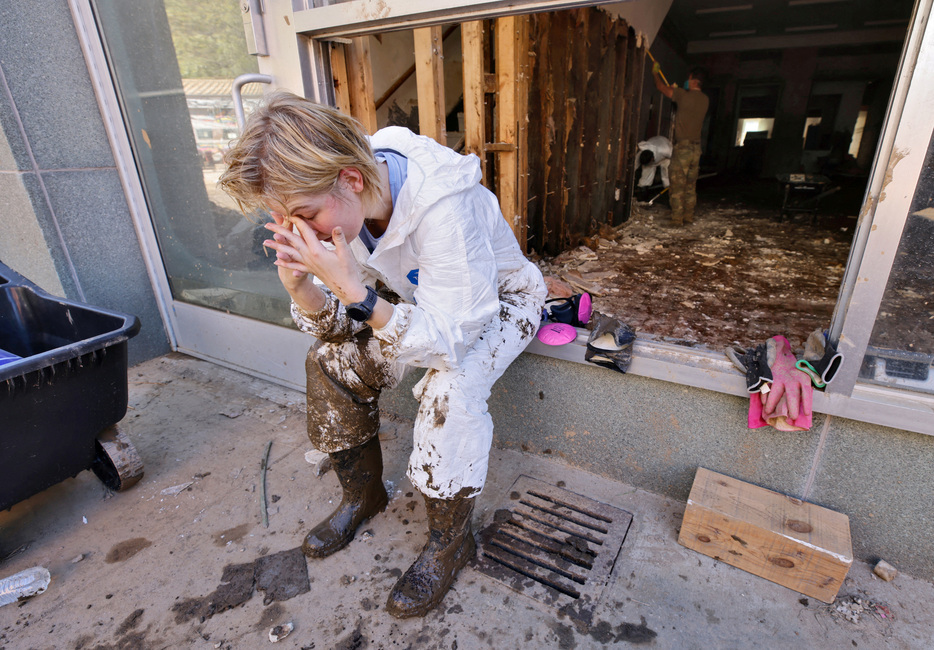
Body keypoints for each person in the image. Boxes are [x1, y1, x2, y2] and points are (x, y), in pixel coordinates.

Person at [218, 91, 546, 618]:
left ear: (350, 179)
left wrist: (358, 295)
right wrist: (301, 286)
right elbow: (337, 331)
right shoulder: (351, 197)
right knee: (328, 364)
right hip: (419, 305)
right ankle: (363, 495)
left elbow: (450, 341)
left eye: (305, 215)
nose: (302, 232)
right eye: (284, 219)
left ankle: (450, 542)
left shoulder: (444, 205)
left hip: (498, 304)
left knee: (449, 390)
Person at [652, 65, 709, 225]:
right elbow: (685, 101)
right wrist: (677, 92)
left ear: (693, 80)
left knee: (677, 184)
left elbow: (660, 87)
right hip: (696, 149)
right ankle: (688, 217)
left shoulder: (682, 95)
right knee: (690, 186)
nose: (687, 81)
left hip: (683, 148)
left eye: (689, 78)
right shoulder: (705, 99)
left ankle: (677, 220)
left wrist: (655, 72)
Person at [636, 135, 672, 199]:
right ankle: (643, 195)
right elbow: (635, 165)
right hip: (654, 148)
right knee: (646, 176)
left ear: (652, 159)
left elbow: (674, 157)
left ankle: (668, 192)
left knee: (666, 173)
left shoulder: (665, 150)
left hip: (665, 158)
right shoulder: (643, 151)